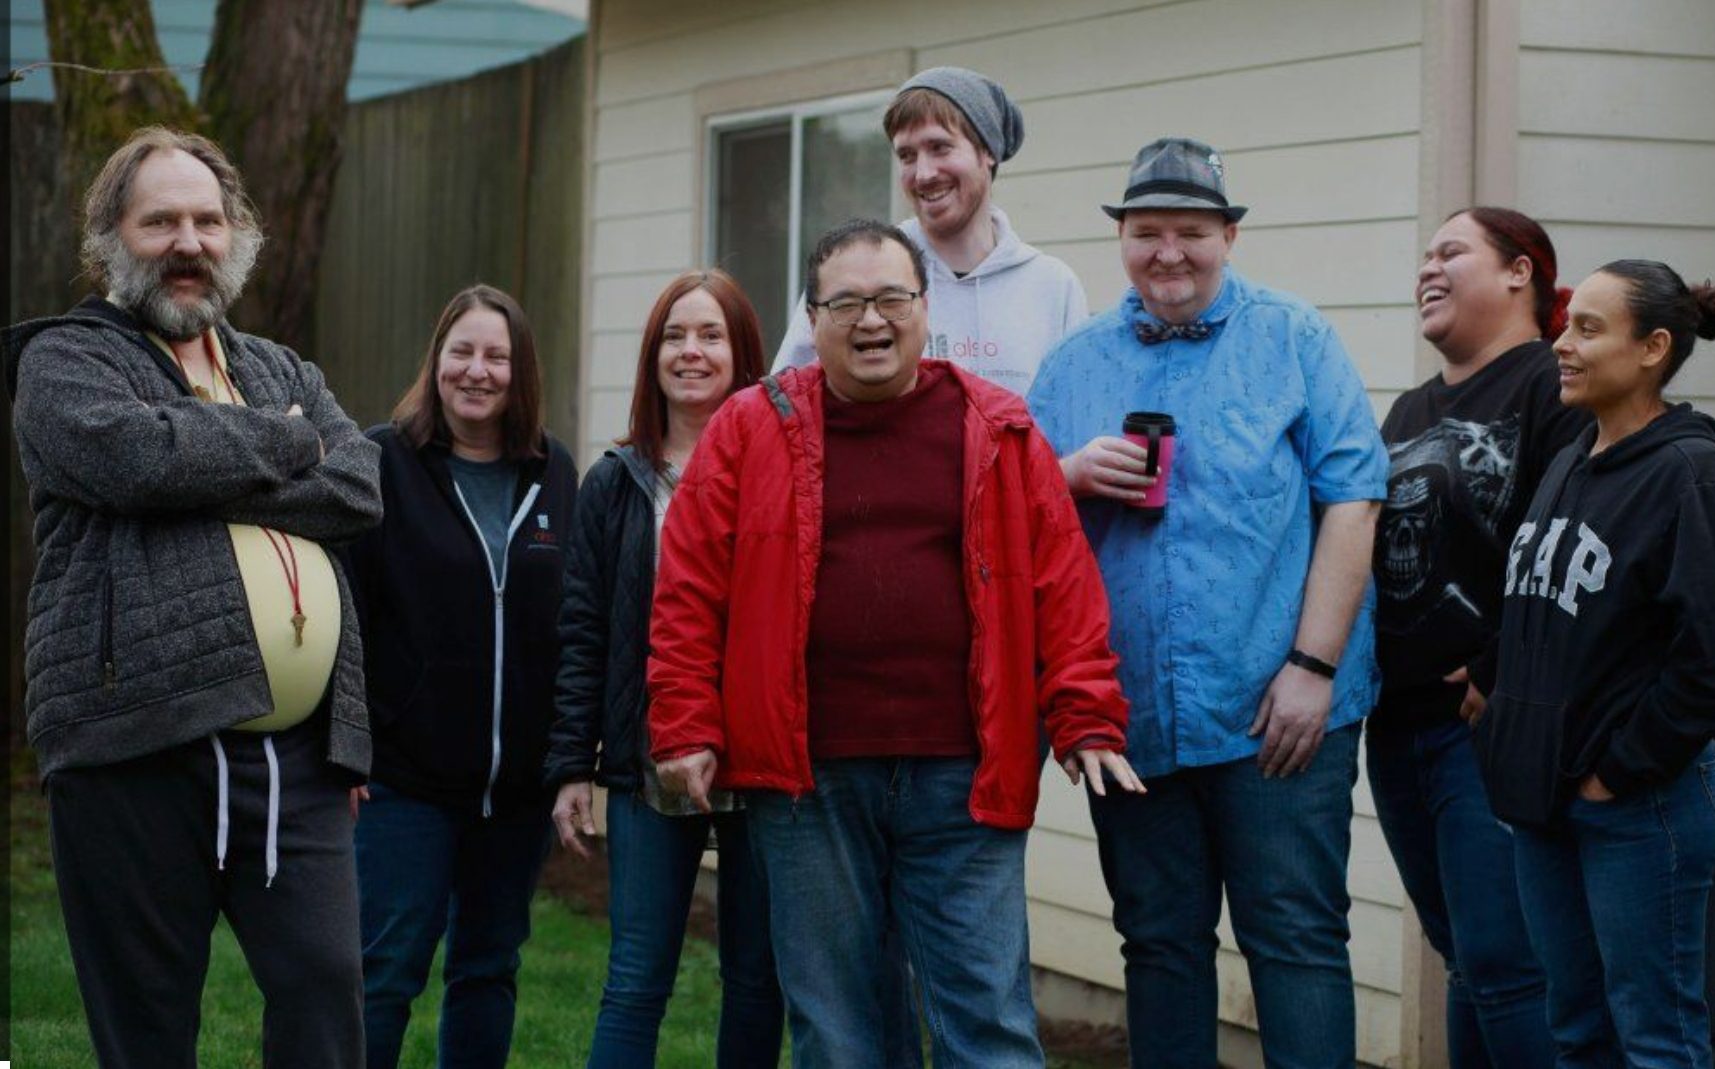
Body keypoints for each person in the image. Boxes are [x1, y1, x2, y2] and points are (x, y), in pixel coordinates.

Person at [649, 219, 1139, 1068]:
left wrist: (1086, 715)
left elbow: (1062, 585)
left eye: (890, 299)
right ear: (812, 316)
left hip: (965, 771)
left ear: (924, 308)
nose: (869, 319)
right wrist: (687, 724)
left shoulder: (999, 427)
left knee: (985, 1022)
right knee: (836, 1029)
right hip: (807, 778)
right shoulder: (746, 430)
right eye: (845, 302)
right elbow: (689, 590)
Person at [5, 126, 382, 1067]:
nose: (188, 242)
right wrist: (289, 443)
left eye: (208, 221)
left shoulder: (280, 369)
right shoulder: (62, 362)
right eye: (160, 220)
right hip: (133, 746)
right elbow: (134, 459)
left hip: (296, 766)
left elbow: (362, 487)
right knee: (147, 1031)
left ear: (237, 237)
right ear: (109, 242)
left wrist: (210, 452)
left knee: (324, 997)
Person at [1027, 137, 1388, 1068]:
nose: (1168, 253)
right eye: (1146, 232)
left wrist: (1310, 668)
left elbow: (1354, 495)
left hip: (1279, 713)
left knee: (1296, 939)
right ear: (1122, 240)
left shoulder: (1294, 335)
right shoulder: (1070, 367)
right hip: (1134, 716)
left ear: (1227, 236)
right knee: (1157, 945)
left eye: (1191, 231)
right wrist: (1066, 477)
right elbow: (1024, 534)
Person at [1472, 260, 1715, 1067]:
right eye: (1564, 327)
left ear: (1651, 348)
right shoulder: (1569, 458)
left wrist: (1621, 768)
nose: (1561, 347)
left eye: (1586, 329)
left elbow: (1704, 654)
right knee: (1575, 1030)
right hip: (1543, 802)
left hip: (1636, 807)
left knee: (1657, 1035)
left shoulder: (1688, 470)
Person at [545, 269, 783, 1067]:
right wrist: (572, 765)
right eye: (675, 336)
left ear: (743, 353)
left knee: (757, 977)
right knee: (636, 976)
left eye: (710, 335)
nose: (691, 351)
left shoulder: (779, 472)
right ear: (652, 358)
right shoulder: (614, 483)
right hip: (648, 757)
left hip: (761, 760)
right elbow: (582, 634)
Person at [1368, 207, 1587, 1066]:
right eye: (1423, 254)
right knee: (1466, 959)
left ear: (1518, 272)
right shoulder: (1408, 407)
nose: (1428, 266)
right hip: (1396, 721)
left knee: (1505, 961)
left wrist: (1499, 663)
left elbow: (1571, 535)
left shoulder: (1550, 384)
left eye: (1450, 251)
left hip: (1485, 722)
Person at [340, 284, 578, 1068]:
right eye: (462, 352)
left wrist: (568, 756)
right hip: (405, 781)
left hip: (517, 790)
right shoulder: (384, 460)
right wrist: (348, 745)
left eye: (497, 356)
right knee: (384, 972)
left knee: (487, 968)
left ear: (521, 371)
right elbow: (346, 615)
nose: (478, 371)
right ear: (436, 360)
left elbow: (571, 623)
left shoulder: (553, 472)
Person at [774, 66, 1086, 396]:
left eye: (940, 147)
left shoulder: (1052, 287)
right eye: (907, 155)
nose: (923, 174)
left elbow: (1076, 413)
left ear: (988, 153)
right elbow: (786, 403)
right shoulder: (856, 272)